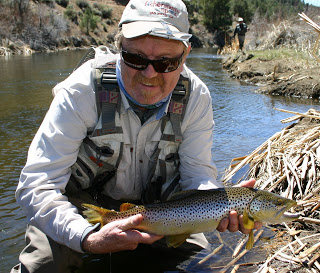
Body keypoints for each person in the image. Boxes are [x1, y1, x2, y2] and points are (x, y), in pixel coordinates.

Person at [11, 1, 261, 272]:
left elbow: (197, 176)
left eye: (166, 62)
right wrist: (87, 237)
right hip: (81, 207)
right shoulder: (81, 91)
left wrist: (220, 204)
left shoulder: (196, 98)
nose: (149, 74)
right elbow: (38, 184)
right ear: (120, 48)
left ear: (185, 55)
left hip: (163, 210)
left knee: (200, 263)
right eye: (136, 59)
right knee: (43, 266)